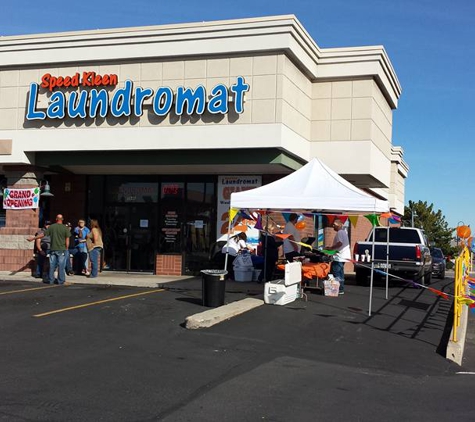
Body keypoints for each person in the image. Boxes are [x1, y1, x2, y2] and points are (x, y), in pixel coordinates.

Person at [28, 214, 71, 285]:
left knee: (52, 265)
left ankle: (51, 280)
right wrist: (66, 248)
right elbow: (67, 240)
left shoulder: (52, 227)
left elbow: (42, 235)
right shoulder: (65, 228)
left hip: (52, 249)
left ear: (56, 219)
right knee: (61, 266)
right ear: (62, 219)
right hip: (61, 249)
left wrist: (32, 238)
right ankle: (61, 281)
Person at [326, 218, 351, 295]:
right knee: (340, 273)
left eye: (334, 225)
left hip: (339, 257)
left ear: (338, 225)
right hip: (343, 256)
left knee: (335, 273)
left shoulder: (340, 232)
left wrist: (331, 248)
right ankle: (341, 289)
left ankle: (337, 289)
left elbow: (340, 243)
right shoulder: (343, 232)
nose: (333, 226)